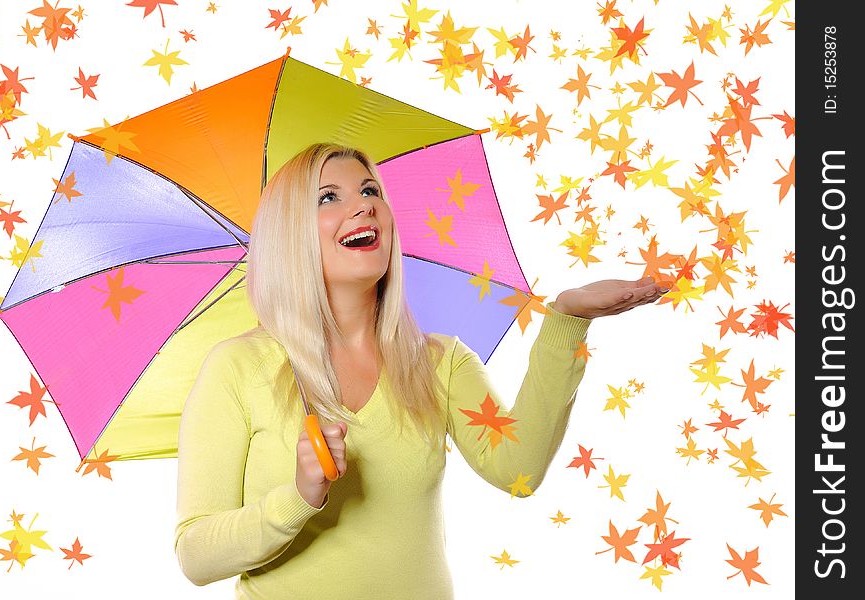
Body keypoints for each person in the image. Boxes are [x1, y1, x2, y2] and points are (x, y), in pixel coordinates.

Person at [174, 142, 665, 598]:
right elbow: (196, 556)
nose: (364, 205)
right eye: (329, 197)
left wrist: (568, 321)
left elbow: (519, 469)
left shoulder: (439, 362)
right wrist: (300, 498)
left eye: (370, 191)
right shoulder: (238, 368)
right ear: (289, 235)